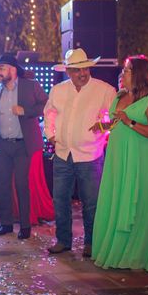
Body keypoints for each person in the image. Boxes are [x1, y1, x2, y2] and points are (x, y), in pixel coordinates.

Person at [92, 55, 148, 274]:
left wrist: (131, 122)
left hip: (144, 158)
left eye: (126, 70)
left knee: (139, 201)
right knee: (119, 198)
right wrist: (102, 125)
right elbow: (117, 122)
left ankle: (136, 253)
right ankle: (116, 249)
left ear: (139, 74)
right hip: (120, 158)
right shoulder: (120, 96)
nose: (122, 74)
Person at [44, 49, 116, 257]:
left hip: (90, 155)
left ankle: (91, 243)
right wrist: (50, 135)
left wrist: (102, 129)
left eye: (85, 68)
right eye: (77, 70)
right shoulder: (58, 90)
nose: (82, 73)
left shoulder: (104, 90)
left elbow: (116, 117)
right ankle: (63, 240)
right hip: (63, 154)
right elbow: (49, 112)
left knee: (91, 202)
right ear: (68, 71)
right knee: (60, 199)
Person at [0, 54, 48, 240]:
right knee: (2, 185)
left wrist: (26, 111)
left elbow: (46, 104)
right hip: (3, 145)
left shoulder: (31, 85)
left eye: (1, 68)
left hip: (23, 145)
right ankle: (6, 224)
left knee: (22, 185)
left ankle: (25, 226)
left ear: (12, 69)